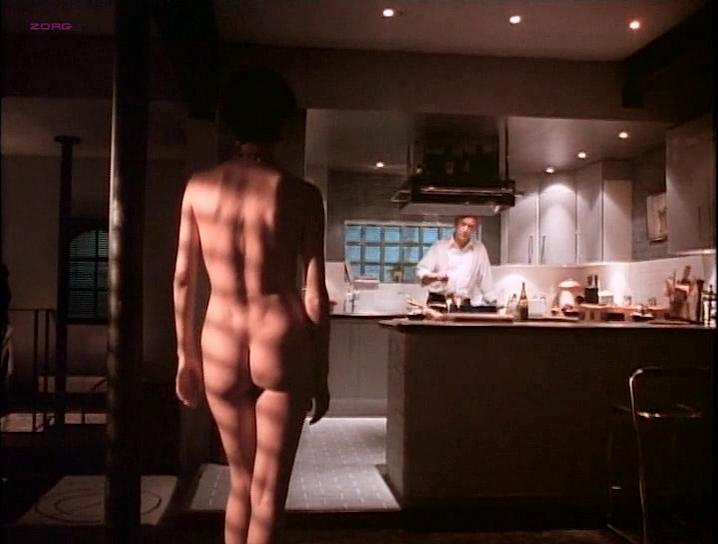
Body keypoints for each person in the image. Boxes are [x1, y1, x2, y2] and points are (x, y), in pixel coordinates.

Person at [173, 68, 330, 544]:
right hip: (278, 335)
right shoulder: (303, 195)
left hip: (220, 338)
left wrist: (185, 356)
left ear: (231, 124)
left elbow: (184, 279)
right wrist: (321, 371)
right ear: (281, 124)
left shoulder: (199, 186)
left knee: (240, 486)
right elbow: (315, 295)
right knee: (268, 496)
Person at [416, 215, 496, 309]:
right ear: (456, 225)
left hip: (464, 304)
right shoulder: (440, 246)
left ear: (475, 229)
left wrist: (495, 303)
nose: (466, 229)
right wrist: (435, 276)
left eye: (470, 226)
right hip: (438, 301)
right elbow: (421, 271)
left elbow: (486, 281)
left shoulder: (479, 249)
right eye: (463, 224)